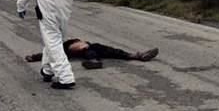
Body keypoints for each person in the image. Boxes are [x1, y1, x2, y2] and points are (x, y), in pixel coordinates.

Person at [16, 0, 83, 89]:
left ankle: (66, 77)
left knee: (53, 42)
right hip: (65, 11)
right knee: (55, 40)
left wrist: (21, 7)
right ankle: (47, 70)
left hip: (47, 12)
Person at [24, 39, 159, 70]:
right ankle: (136, 55)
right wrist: (34, 57)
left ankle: (137, 55)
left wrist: (33, 57)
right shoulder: (63, 45)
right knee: (91, 49)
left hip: (84, 45)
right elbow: (47, 53)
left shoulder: (65, 43)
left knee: (106, 50)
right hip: (78, 46)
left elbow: (47, 52)